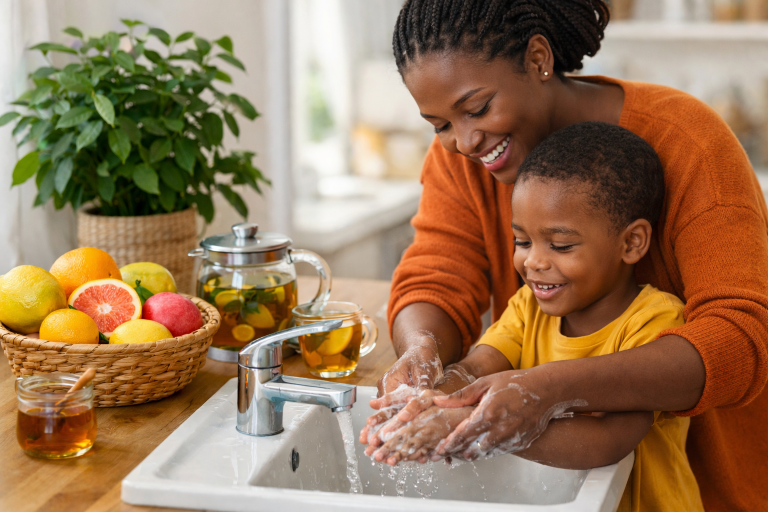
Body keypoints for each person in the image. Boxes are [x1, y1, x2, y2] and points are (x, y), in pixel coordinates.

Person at [376, 1, 768, 510]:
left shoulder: (689, 142)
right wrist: (420, 354)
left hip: (712, 487)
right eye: (439, 124)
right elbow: (435, 274)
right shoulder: (465, 159)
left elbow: (739, 339)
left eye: (478, 108)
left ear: (538, 57)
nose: (466, 141)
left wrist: (545, 389)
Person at [364, 121, 704, 512]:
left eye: (560, 245)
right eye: (522, 241)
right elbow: (477, 366)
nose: (534, 262)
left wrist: (469, 426)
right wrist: (429, 401)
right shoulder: (529, 307)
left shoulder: (655, 322)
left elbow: (608, 440)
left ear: (631, 242)